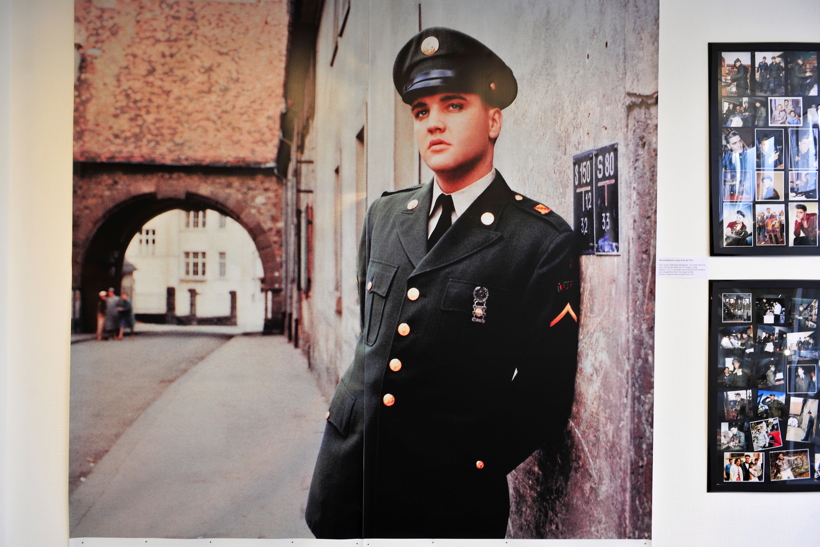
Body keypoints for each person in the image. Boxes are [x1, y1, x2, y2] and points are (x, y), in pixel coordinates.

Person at [305, 28, 580, 539]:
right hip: (348, 478)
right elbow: (373, 340)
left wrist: (471, 464)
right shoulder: (385, 216)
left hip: (443, 501)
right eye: (421, 111)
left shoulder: (537, 241)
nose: (433, 123)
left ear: (494, 119)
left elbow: (544, 395)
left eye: (453, 105)